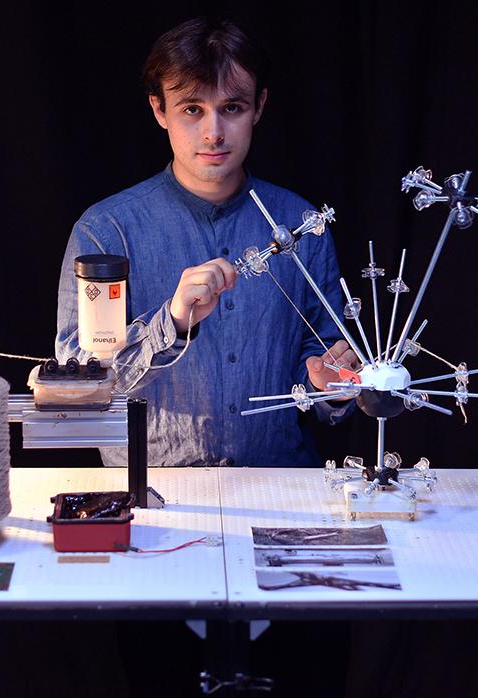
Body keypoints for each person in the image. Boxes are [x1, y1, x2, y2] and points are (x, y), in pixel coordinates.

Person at [55, 16, 358, 467]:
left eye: (232, 108)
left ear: (258, 106)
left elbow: (325, 363)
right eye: (192, 109)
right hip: (150, 489)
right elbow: (77, 377)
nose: (213, 132)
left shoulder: (301, 225)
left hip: (279, 484)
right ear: (159, 110)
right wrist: (173, 322)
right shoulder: (106, 230)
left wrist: (328, 386)